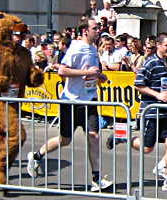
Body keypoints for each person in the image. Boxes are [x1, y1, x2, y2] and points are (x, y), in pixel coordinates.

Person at [26, 17, 112, 192]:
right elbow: (62, 71)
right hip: (71, 101)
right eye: (95, 28)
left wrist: (100, 77)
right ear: (85, 31)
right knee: (65, 140)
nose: (98, 30)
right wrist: (85, 72)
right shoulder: (76, 47)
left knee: (94, 137)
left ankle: (96, 179)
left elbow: (93, 72)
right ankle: (36, 156)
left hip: (89, 100)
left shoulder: (93, 49)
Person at [107, 32, 167, 191]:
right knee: (147, 148)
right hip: (152, 111)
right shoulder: (150, 63)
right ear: (159, 46)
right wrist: (157, 95)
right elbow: (138, 84)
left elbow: (166, 86)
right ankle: (122, 136)